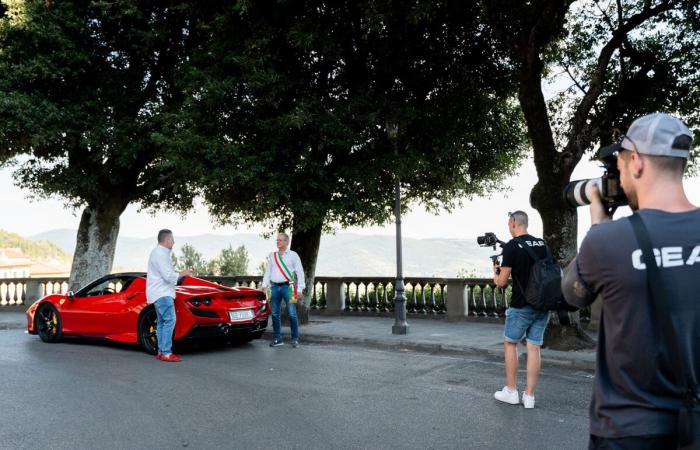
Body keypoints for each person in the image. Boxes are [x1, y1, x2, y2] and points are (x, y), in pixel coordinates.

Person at [562, 113, 699, 449]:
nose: (619, 178)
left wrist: (597, 228)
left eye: (620, 167)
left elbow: (570, 295)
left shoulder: (607, 241)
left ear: (636, 162)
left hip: (627, 429)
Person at [492, 210, 550, 409]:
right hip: (543, 304)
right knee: (534, 347)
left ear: (514, 222)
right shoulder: (542, 244)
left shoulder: (512, 246)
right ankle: (530, 397)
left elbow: (501, 283)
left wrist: (495, 273)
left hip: (521, 305)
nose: (509, 227)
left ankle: (511, 391)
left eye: (509, 224)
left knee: (511, 344)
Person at [146, 229, 192, 362]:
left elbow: (165, 273)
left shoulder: (157, 252)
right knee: (170, 320)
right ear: (166, 240)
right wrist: (184, 273)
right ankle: (166, 352)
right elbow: (168, 276)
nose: (174, 242)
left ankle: (161, 351)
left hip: (157, 293)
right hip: (163, 293)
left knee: (161, 322)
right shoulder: (161, 254)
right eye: (172, 239)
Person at [262, 232, 305, 348]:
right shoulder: (272, 255)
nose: (277, 242)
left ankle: (295, 339)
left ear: (286, 242)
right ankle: (278, 338)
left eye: (280, 240)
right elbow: (268, 272)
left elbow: (300, 273)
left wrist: (300, 288)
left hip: (289, 287)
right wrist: (264, 284)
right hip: (274, 287)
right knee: (275, 314)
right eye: (277, 240)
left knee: (292, 314)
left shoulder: (293, 255)